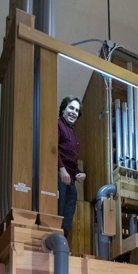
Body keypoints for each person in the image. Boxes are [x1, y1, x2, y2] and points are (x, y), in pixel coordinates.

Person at [57, 96, 86, 237]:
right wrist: (61, 169)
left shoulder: (74, 134)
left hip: (70, 177)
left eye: (77, 110)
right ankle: (54, 239)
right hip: (59, 174)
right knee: (59, 210)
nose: (74, 112)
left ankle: (62, 239)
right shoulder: (58, 124)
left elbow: (72, 161)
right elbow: (53, 149)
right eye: (71, 108)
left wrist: (79, 173)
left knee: (68, 214)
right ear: (63, 109)